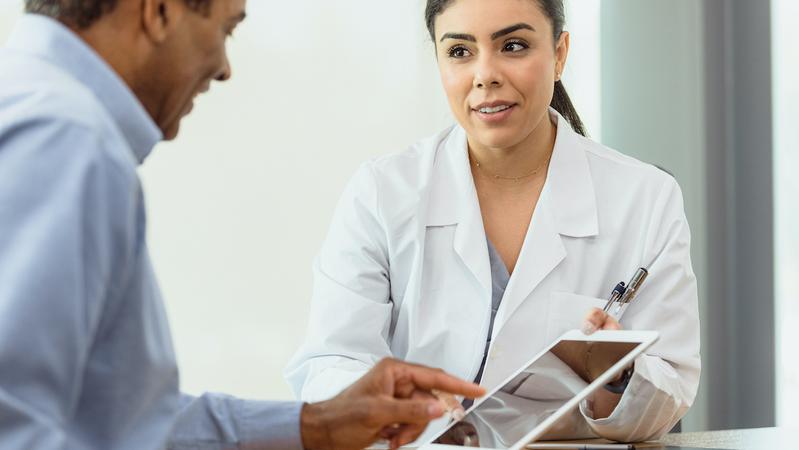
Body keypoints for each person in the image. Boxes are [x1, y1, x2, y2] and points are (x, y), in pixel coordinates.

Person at [0, 1, 485, 449]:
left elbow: (126, 426)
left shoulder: (36, 108)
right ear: (159, 11)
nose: (224, 68)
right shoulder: (64, 137)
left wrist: (320, 424)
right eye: (225, 29)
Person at [286, 0, 701, 443]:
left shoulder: (646, 197)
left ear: (560, 54)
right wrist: (389, 403)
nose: (485, 74)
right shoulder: (381, 192)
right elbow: (329, 363)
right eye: (460, 52)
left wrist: (616, 373)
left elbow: (672, 386)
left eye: (514, 45)